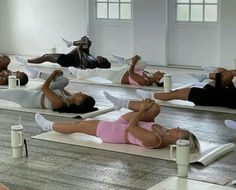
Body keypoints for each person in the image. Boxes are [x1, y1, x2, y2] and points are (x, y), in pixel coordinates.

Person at [35, 93, 200, 152]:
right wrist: (147, 108)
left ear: (177, 141)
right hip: (125, 125)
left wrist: (142, 110)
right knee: (155, 108)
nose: (178, 127)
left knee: (78, 126)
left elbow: (131, 127)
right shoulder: (165, 132)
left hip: (116, 132)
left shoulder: (155, 140)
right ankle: (121, 103)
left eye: (180, 131)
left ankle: (48, 126)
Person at [0, 66, 97, 114]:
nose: (79, 92)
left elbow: (45, 88)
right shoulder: (67, 97)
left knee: (1, 93)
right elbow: (60, 84)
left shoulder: (60, 103)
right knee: (65, 80)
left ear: (77, 103)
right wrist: (57, 75)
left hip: (26, 98)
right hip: (35, 92)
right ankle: (37, 74)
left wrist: (52, 74)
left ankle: (37, 74)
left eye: (80, 95)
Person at [136, 68, 236, 109]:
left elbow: (222, 96)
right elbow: (231, 91)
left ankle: (150, 96)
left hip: (209, 97)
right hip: (214, 92)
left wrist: (218, 76)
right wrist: (225, 78)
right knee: (228, 74)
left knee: (176, 93)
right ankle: (207, 75)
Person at [15, 36, 111, 69]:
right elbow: (82, 50)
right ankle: (71, 43)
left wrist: (80, 48)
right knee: (87, 40)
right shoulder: (92, 58)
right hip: (73, 56)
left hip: (67, 60)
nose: (102, 57)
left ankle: (26, 61)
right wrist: (82, 46)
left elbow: (81, 56)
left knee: (45, 57)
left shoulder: (91, 63)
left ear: (101, 63)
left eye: (103, 59)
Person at [69, 55, 165, 86]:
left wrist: (134, 62)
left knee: (96, 71)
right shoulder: (149, 76)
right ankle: (124, 61)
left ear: (157, 81)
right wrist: (135, 62)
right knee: (144, 63)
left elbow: (131, 74)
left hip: (118, 77)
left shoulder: (145, 81)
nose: (160, 72)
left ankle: (77, 72)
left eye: (160, 75)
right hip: (123, 70)